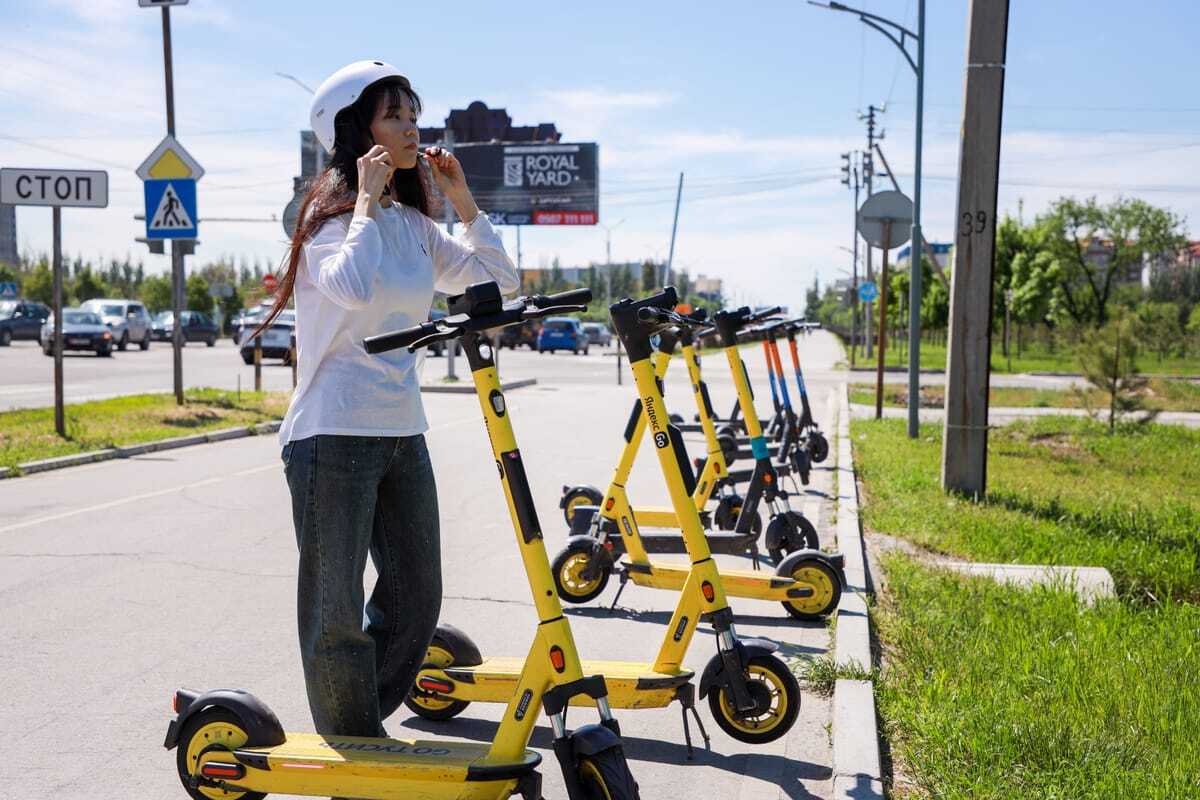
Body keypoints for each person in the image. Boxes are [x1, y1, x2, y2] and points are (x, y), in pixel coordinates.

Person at [255, 60, 519, 739]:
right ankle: (355, 741)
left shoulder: (412, 225)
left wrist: (463, 204)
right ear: (355, 130)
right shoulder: (323, 220)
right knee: (334, 611)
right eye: (394, 115)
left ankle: (354, 725)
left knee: (416, 596)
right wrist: (366, 203)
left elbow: (498, 284)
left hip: (402, 429)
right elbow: (348, 286)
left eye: (413, 114)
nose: (411, 128)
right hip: (331, 434)